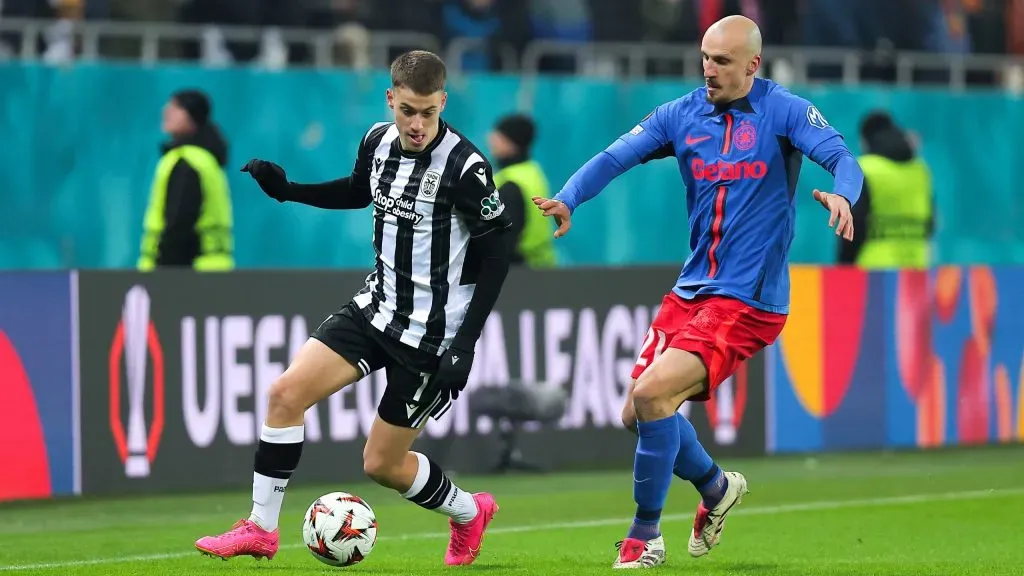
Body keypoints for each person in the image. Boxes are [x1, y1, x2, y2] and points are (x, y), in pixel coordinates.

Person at [533, 16, 864, 569]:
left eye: (722, 61)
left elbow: (841, 159)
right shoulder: (680, 114)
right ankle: (715, 488)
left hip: (748, 302)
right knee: (635, 414)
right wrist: (569, 197)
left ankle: (645, 538)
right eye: (705, 57)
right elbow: (616, 156)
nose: (708, 69)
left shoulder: (784, 111)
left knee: (652, 395)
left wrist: (843, 195)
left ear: (752, 66)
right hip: (691, 290)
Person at [194, 50, 511, 567]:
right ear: (391, 99)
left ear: (443, 104)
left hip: (430, 337)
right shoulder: (376, 141)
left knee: (382, 464)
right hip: (376, 308)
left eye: (428, 113)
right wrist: (288, 191)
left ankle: (468, 512)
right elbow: (358, 191)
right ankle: (260, 529)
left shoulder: (465, 167)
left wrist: (465, 344)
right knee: (284, 393)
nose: (416, 124)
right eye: (407, 110)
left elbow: (498, 254)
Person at [138, 89, 234, 271]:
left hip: (188, 275)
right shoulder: (208, 160)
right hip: (213, 269)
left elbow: (179, 225)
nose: (167, 111)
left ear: (193, 116)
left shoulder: (187, 162)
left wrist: (163, 271)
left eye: (176, 107)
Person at [839, 111, 933, 268]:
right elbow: (931, 220)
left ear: (865, 140)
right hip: (917, 269)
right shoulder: (920, 170)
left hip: (874, 271)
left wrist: (843, 268)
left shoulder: (866, 168)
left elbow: (851, 224)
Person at [487, 113, 557, 268]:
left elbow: (503, 240)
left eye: (498, 135)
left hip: (519, 275)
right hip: (542, 268)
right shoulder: (533, 172)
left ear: (512, 143)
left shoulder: (511, 184)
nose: (491, 138)